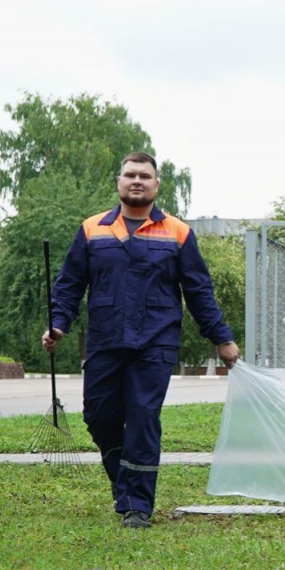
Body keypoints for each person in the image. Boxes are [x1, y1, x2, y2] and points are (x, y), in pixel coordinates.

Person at [42, 151, 239, 529]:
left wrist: (221, 339)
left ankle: (137, 505)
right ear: (118, 182)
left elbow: (199, 292)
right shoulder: (92, 229)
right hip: (105, 340)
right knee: (99, 416)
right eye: (130, 174)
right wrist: (58, 325)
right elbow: (68, 286)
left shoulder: (178, 232)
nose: (137, 181)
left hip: (156, 342)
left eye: (144, 176)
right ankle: (125, 483)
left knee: (143, 418)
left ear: (156, 185)